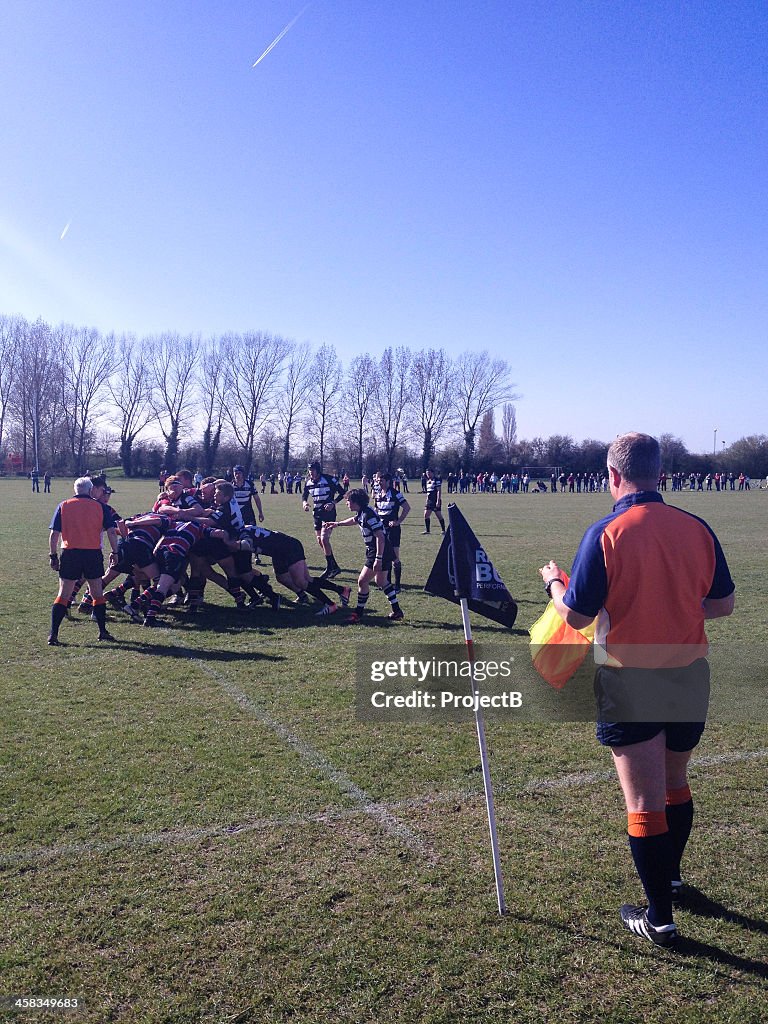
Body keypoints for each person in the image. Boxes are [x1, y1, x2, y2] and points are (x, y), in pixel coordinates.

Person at [538, 432, 734, 947]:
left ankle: (660, 918)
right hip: (689, 675)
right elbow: (722, 604)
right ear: (662, 475)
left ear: (612, 476)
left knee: (644, 801)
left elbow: (577, 615)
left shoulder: (606, 531)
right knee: (675, 783)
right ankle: (670, 877)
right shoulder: (697, 527)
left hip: (632, 678)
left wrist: (554, 585)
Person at [47, 477, 120, 644]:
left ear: (75, 490)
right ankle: (102, 632)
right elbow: (110, 532)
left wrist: (53, 555)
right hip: (92, 554)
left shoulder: (63, 505)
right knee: (97, 593)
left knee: (64, 594)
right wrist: (115, 552)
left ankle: (53, 635)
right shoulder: (101, 507)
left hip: (70, 553)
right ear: (90, 490)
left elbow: (54, 535)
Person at [325, 488, 403, 622]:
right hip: (382, 550)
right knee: (381, 581)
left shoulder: (368, 515)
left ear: (356, 502)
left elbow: (380, 537)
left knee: (362, 581)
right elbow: (355, 520)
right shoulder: (363, 512)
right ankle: (397, 611)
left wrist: (378, 558)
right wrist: (337, 524)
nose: (346, 503)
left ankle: (357, 614)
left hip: (379, 550)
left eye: (348, 501)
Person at [302, 461, 347, 579]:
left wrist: (333, 503)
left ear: (318, 470)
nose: (310, 472)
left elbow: (343, 493)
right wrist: (305, 503)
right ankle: (334, 566)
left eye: (312, 470)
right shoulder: (308, 482)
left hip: (329, 513)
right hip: (316, 513)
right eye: (309, 470)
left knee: (324, 538)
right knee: (320, 541)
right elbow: (304, 495)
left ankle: (329, 568)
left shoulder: (329, 479)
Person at [422, 468, 445, 534]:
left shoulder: (436, 480)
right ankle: (428, 530)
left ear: (432, 473)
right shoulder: (428, 481)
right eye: (427, 473)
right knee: (426, 515)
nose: (428, 474)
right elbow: (428, 492)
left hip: (435, 500)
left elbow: (438, 491)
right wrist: (427, 499)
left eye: (429, 473)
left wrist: (438, 501)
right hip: (429, 501)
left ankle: (443, 530)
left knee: (439, 515)